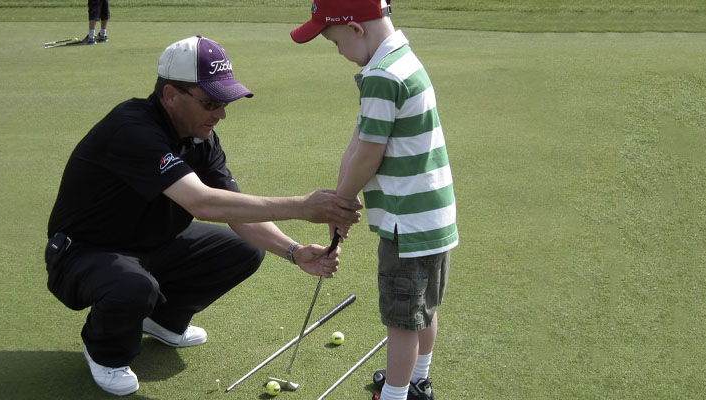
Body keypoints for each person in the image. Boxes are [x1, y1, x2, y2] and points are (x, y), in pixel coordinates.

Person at [44, 35, 362, 396]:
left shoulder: (200, 137)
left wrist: (295, 251)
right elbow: (203, 203)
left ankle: (162, 321)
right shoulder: (132, 129)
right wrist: (302, 207)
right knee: (134, 286)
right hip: (84, 254)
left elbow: (233, 208)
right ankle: (104, 351)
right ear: (170, 96)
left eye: (224, 102)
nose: (221, 113)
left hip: (150, 245)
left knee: (241, 250)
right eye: (211, 102)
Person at [291, 1, 458, 399]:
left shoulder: (383, 76)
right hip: (431, 219)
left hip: (407, 224)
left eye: (334, 42)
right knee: (422, 311)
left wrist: (340, 203)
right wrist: (339, 198)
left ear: (355, 29)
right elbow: (360, 137)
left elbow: (369, 153)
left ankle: (397, 395)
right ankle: (419, 380)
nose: (338, 52)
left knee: (401, 323)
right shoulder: (401, 59)